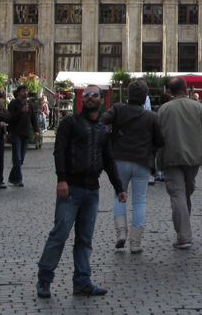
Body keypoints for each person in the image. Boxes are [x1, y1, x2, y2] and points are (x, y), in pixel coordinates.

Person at [36, 85, 126, 299]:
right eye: (87, 95)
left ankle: (82, 282)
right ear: (82, 100)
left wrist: (119, 187)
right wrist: (62, 179)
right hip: (72, 188)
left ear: (101, 99)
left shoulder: (103, 129)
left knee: (85, 239)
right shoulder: (70, 123)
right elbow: (60, 152)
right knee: (59, 235)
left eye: (95, 95)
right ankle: (44, 279)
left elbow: (108, 159)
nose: (91, 98)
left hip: (92, 189)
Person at [101, 79, 164, 254]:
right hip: (142, 161)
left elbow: (103, 121)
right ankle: (135, 242)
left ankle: (121, 232)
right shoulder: (151, 116)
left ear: (128, 94)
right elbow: (160, 141)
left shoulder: (118, 109)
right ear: (145, 98)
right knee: (139, 201)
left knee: (118, 196)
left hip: (119, 159)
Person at [157, 76, 202, 250]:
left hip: (171, 157)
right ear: (186, 88)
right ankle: (184, 233)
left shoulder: (163, 109)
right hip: (193, 158)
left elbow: (157, 137)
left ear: (170, 91)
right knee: (185, 193)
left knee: (178, 194)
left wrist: (155, 160)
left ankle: (183, 235)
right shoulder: (198, 107)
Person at [7, 84, 37, 186]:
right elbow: (10, 118)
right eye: (24, 91)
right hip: (16, 133)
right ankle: (18, 180)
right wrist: (21, 111)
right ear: (19, 92)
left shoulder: (29, 104)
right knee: (17, 157)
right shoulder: (13, 103)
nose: (26, 92)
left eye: (26, 91)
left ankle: (13, 178)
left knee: (21, 158)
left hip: (25, 133)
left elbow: (33, 117)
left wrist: (36, 130)